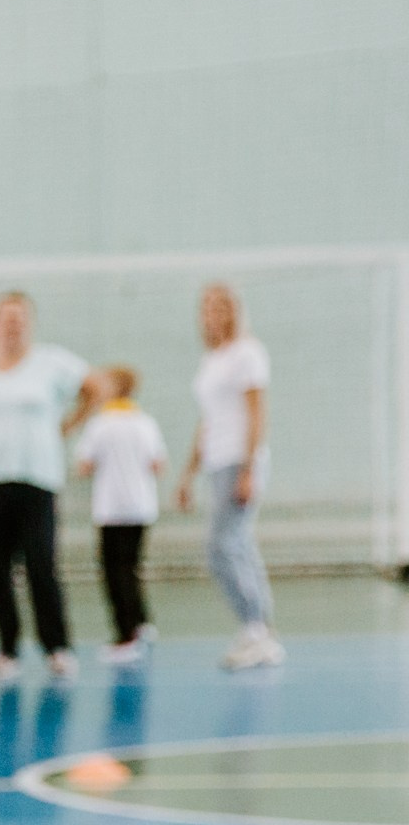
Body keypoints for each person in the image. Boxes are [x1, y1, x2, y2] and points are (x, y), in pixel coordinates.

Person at [0, 291, 90, 683]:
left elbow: (97, 386)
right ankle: (7, 648)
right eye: (6, 317)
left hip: (37, 478)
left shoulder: (52, 363)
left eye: (19, 318)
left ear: (29, 323)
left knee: (41, 563)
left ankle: (56, 646)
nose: (12, 324)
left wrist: (68, 425)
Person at [176, 282, 284, 669]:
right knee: (238, 544)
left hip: (240, 460)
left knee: (222, 546)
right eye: (206, 307)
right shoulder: (212, 359)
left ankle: (257, 629)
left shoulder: (247, 353)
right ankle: (259, 629)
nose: (213, 313)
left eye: (220, 306)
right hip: (217, 461)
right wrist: (188, 474)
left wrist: (249, 469)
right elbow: (208, 421)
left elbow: (257, 413)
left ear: (234, 310)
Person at [69, 367, 166, 665]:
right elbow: (158, 465)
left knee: (115, 573)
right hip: (141, 507)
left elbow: (83, 466)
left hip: (111, 509)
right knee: (131, 567)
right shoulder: (146, 423)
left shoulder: (99, 424)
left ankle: (126, 637)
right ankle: (141, 622)